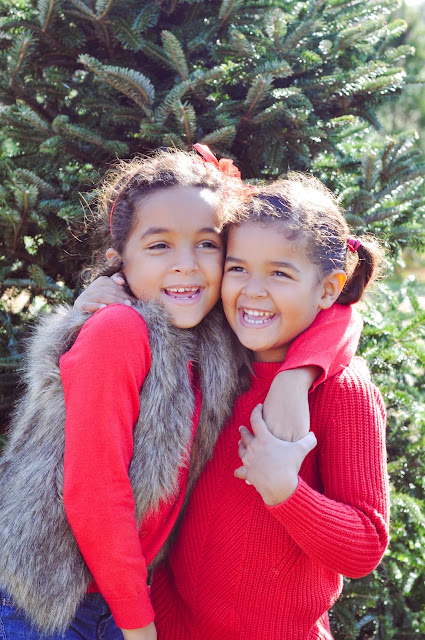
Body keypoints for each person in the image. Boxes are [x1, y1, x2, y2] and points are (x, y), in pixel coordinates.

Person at [0, 148, 360, 640]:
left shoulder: (219, 326)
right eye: (159, 246)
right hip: (45, 601)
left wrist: (298, 376)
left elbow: (337, 304)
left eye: (207, 245)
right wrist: (140, 624)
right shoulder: (120, 330)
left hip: (114, 597)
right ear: (118, 263)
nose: (187, 266)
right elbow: (95, 493)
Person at [149, 174, 390, 639]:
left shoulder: (342, 392)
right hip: (172, 625)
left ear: (327, 289)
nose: (253, 291)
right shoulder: (211, 353)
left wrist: (284, 489)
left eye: (279, 273)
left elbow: (364, 547)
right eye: (238, 269)